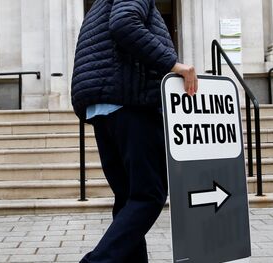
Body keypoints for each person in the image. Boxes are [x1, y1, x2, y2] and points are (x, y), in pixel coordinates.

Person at [71, 0, 198, 262]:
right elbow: (124, 24)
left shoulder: (99, 5)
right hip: (131, 103)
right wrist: (174, 65)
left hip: (103, 108)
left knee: (129, 198)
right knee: (149, 195)